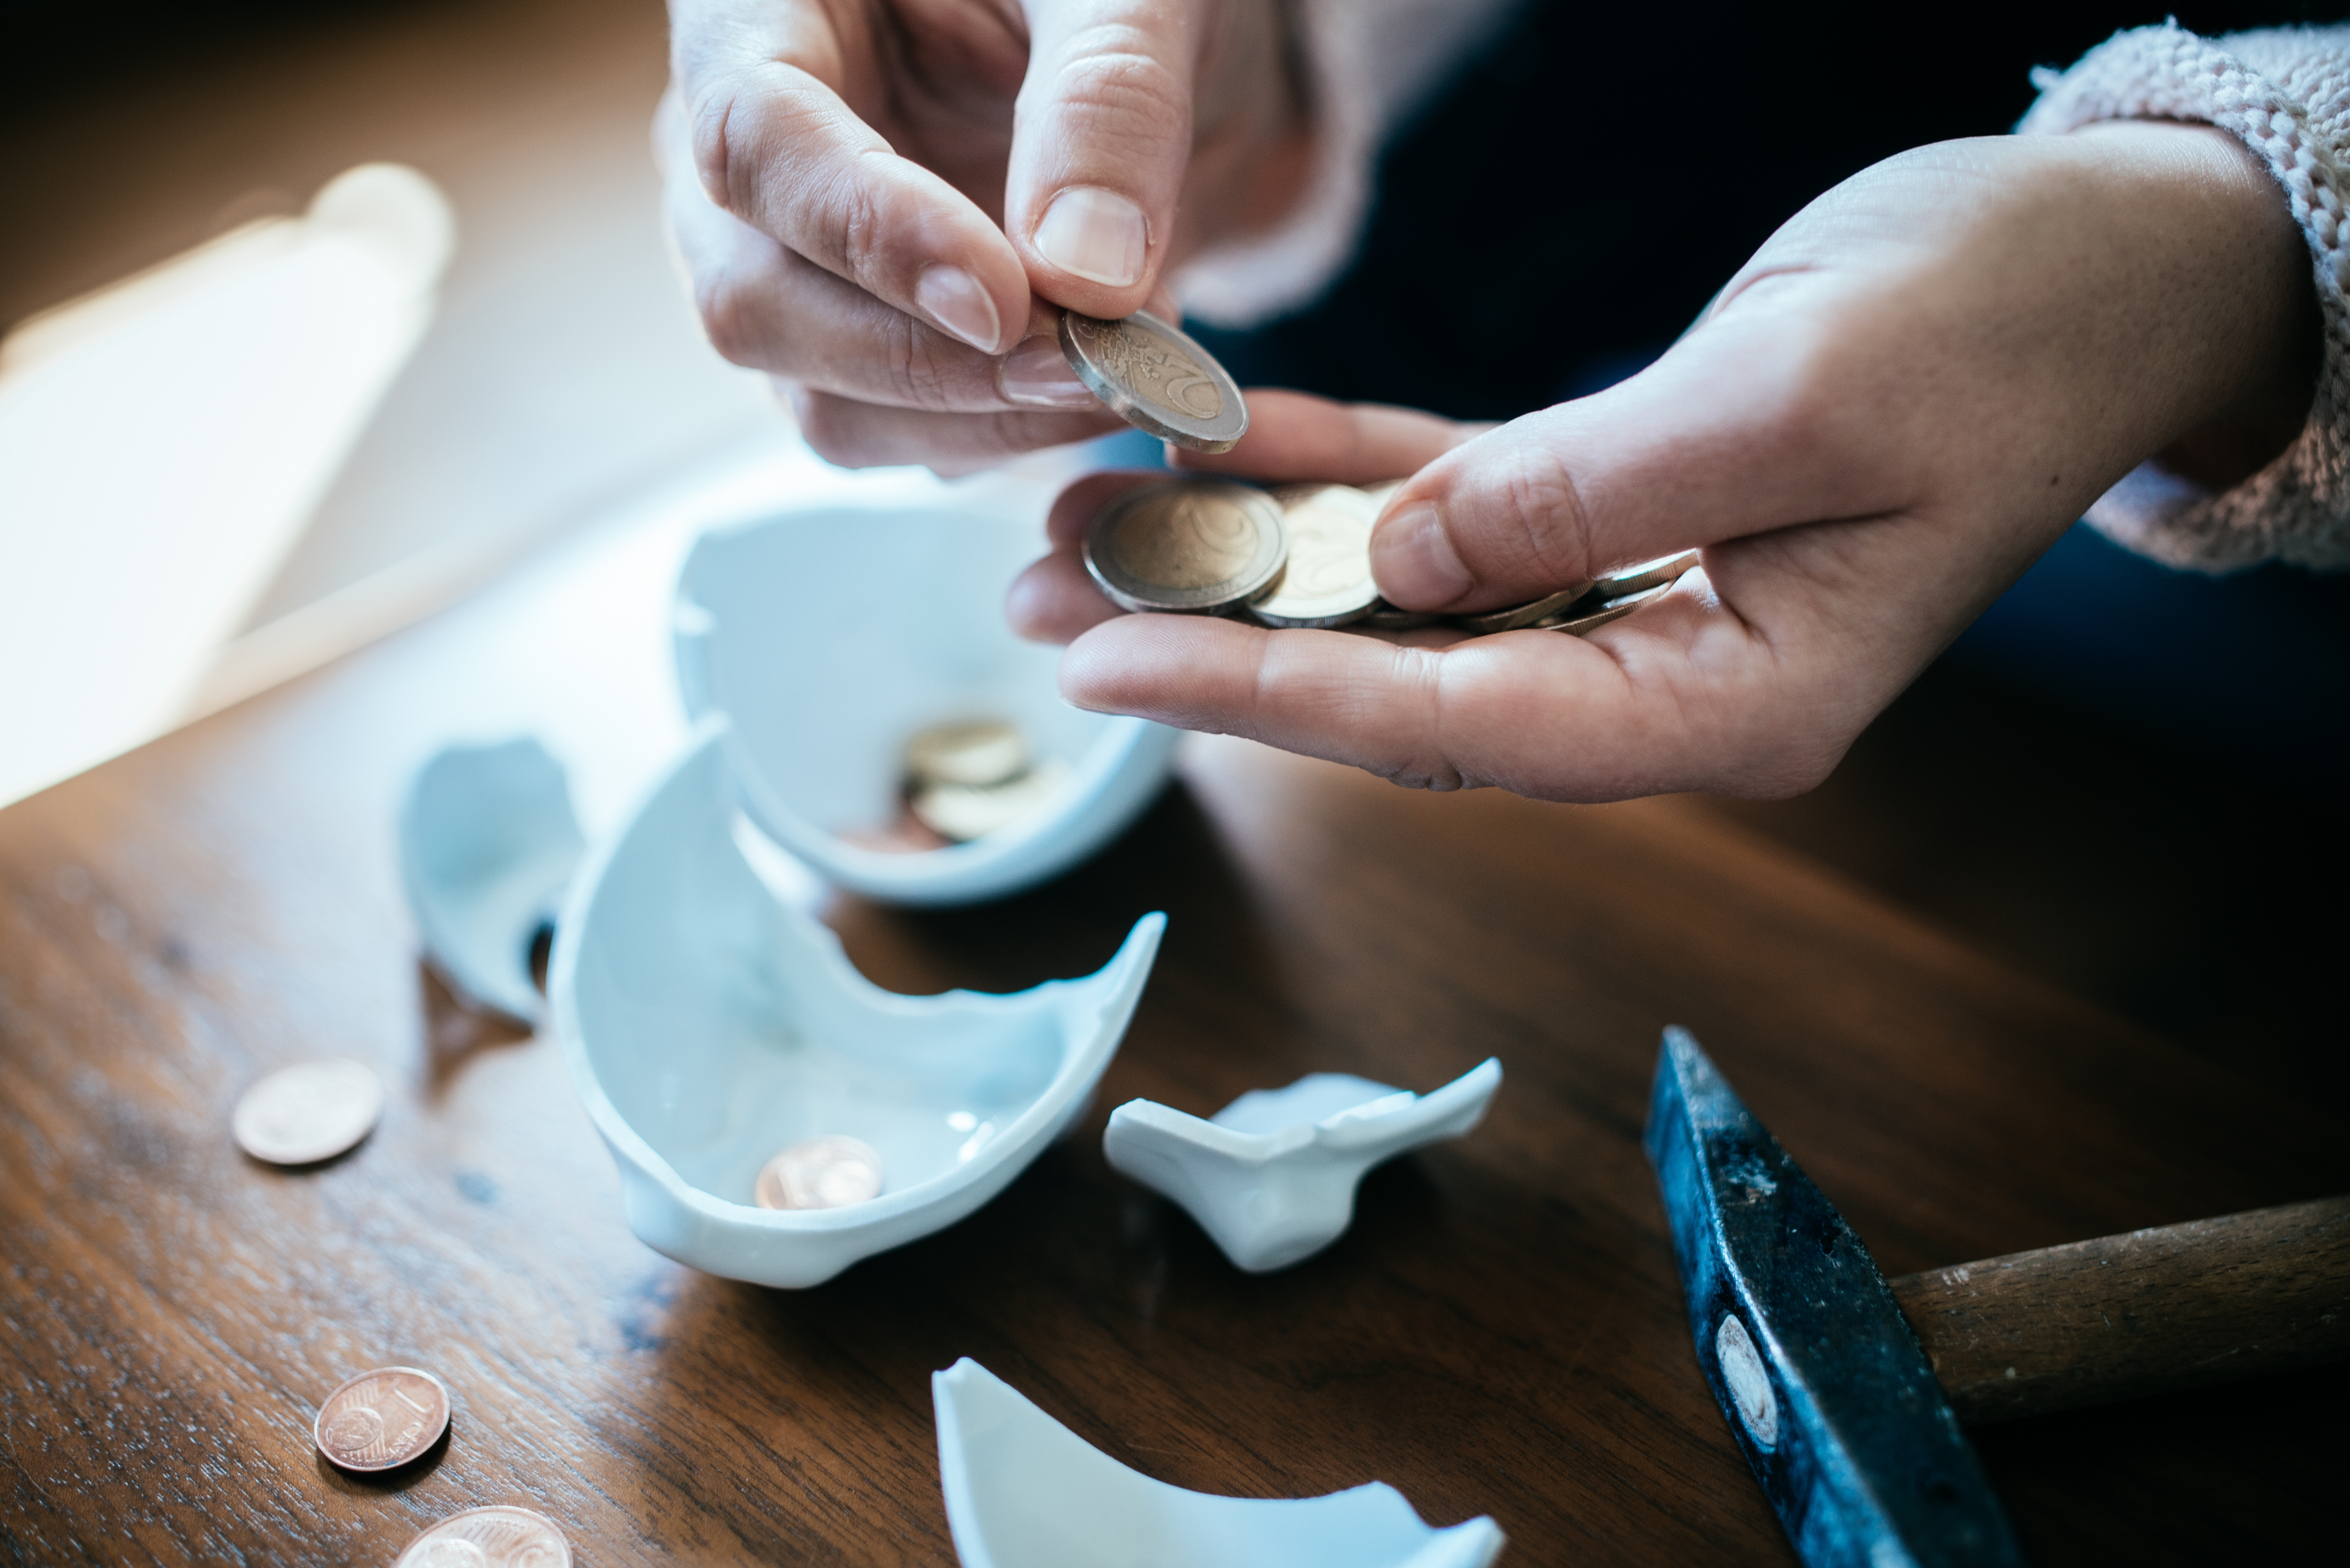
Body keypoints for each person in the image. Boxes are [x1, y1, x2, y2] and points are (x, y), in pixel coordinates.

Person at [661, 3, 2345, 801]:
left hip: (2218, 409)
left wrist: (2243, 249)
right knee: (1118, 454)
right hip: (1516, 153)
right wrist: (1277, 60)